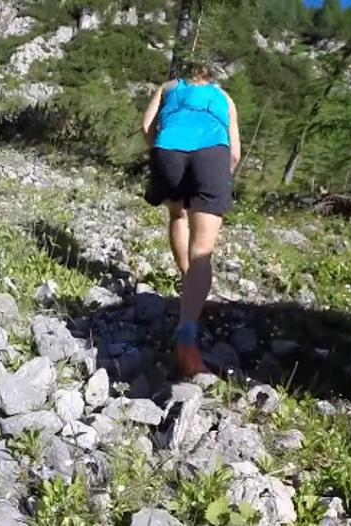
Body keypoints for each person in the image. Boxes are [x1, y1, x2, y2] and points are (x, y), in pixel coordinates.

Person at [140, 61, 241, 377]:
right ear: (210, 78)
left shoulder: (169, 87)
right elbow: (235, 153)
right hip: (212, 154)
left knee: (177, 214)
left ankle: (187, 280)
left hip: (167, 149)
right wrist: (220, 178)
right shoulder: (223, 97)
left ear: (185, 75)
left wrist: (160, 152)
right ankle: (186, 337)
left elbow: (146, 127)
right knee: (202, 252)